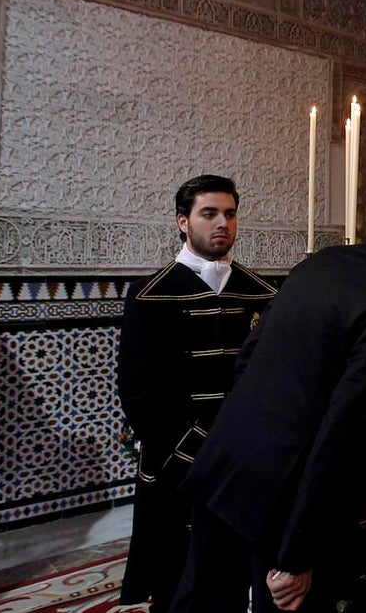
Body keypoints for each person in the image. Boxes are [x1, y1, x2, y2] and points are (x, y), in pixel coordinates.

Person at [172, 181, 366, 613]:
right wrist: (297, 553)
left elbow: (249, 357)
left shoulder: (324, 261)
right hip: (284, 496)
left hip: (225, 462)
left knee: (200, 601)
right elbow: (346, 426)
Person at [117, 174, 277, 613]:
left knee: (234, 578)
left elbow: (270, 384)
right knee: (177, 583)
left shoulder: (262, 292)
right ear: (183, 223)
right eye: (208, 214)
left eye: (229, 213)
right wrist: (198, 453)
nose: (222, 222)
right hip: (178, 465)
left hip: (244, 462)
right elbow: (137, 393)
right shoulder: (149, 294)